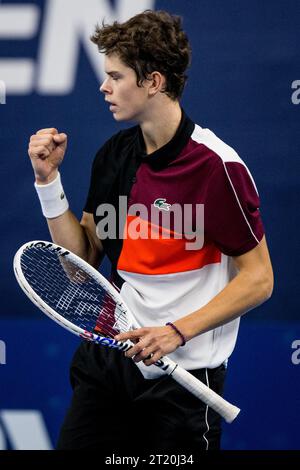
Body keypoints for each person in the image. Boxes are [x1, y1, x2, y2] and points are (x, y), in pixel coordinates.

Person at [28, 10, 273, 453]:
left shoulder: (218, 168)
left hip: (183, 384)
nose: (104, 86)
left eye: (115, 76)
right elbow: (80, 268)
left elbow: (259, 279)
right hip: (109, 364)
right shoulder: (114, 156)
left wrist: (176, 331)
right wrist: (48, 182)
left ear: (154, 82)